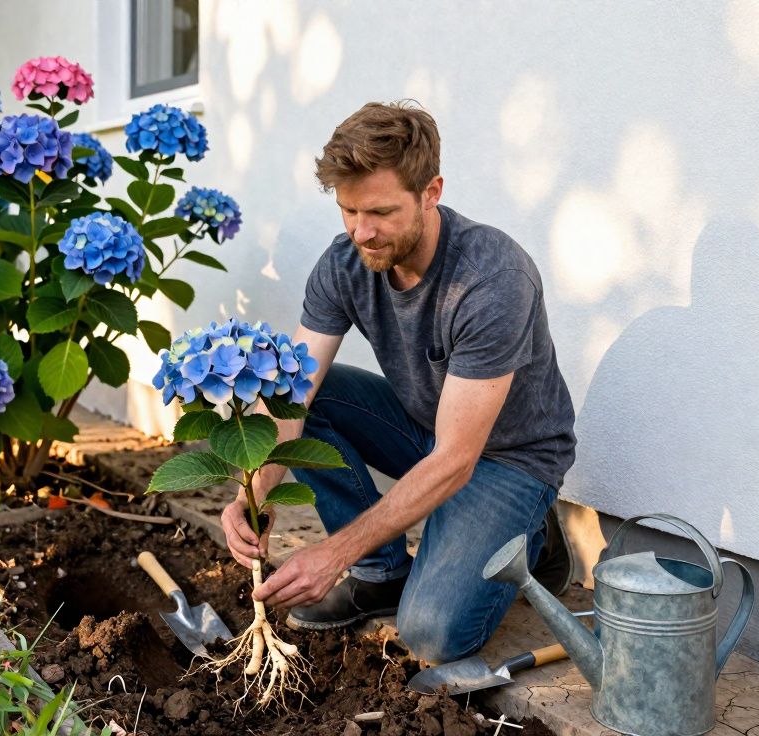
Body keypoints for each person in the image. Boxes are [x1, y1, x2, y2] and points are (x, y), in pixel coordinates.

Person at [220, 100, 577, 664]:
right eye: (348, 210)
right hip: (428, 428)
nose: (362, 232)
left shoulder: (491, 279)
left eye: (381, 212)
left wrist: (333, 553)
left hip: (508, 457)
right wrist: (254, 492)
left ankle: (534, 534)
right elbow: (294, 392)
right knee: (310, 396)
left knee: (432, 633)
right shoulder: (345, 263)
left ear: (431, 192)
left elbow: (456, 459)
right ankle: (381, 573)